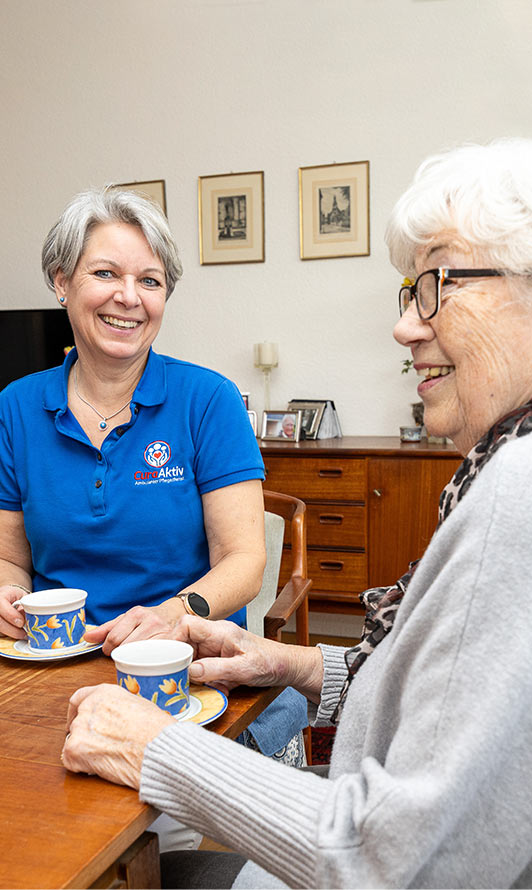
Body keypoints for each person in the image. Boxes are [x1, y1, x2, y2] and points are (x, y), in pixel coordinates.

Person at [63, 136, 532, 889]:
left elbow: (398, 865)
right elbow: (466, 712)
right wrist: (291, 663)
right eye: (409, 293)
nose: (406, 326)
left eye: (436, 287)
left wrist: (153, 749)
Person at [0, 186, 308, 845]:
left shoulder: (207, 400)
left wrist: (174, 614)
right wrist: (7, 592)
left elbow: (245, 561)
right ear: (62, 281)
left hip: (184, 678)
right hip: (58, 675)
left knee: (143, 845)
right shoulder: (16, 408)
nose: (129, 297)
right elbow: (9, 557)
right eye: (105, 273)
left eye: (150, 280)